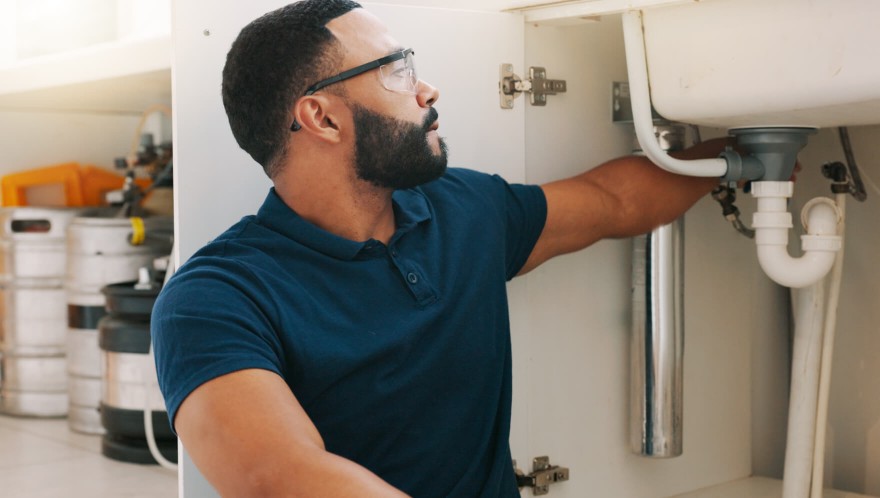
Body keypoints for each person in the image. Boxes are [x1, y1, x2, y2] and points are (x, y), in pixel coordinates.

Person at [151, 1, 727, 496]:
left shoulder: (462, 208)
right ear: (321, 117)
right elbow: (278, 478)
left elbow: (611, 201)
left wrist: (741, 156)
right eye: (396, 71)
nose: (427, 89)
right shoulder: (214, 299)